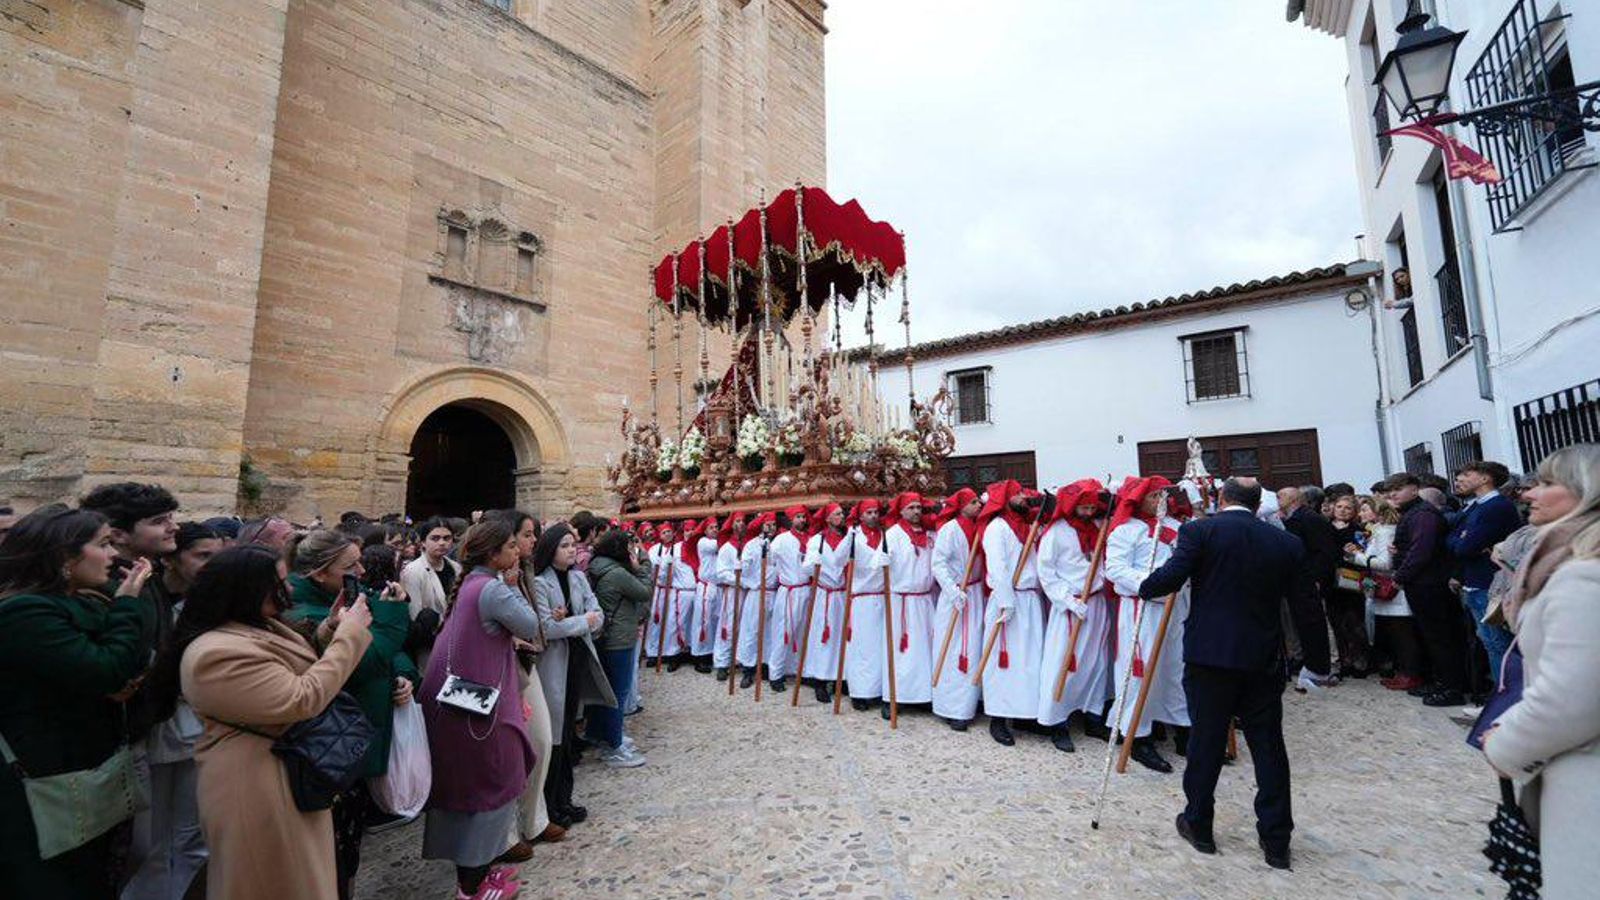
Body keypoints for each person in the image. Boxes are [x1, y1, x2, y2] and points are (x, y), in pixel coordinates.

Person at [156, 543, 371, 900]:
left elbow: (292, 667)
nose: (289, 590)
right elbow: (300, 698)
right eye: (280, 583)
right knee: (270, 882)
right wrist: (351, 636)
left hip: (283, 770)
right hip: (255, 784)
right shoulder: (215, 653)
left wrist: (330, 630)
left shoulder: (254, 626)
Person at [1141, 477, 1303, 871]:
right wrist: (1310, 661)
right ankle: (1276, 839)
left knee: (1206, 740)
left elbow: (1172, 576)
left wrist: (1147, 586)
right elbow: (1304, 601)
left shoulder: (1201, 531)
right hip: (1263, 654)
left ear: (1222, 498)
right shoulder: (1284, 541)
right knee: (1268, 746)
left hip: (1210, 654)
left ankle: (1199, 824)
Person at [0, 506, 157, 898]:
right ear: (64, 558)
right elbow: (106, 669)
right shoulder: (25, 611)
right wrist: (128, 603)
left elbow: (131, 660)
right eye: (103, 544)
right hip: (42, 777)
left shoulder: (80, 602)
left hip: (81, 771)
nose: (112, 555)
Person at [1481, 444, 1600, 900]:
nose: (1530, 493)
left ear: (1586, 493)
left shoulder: (1582, 576)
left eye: (1548, 484)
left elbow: (1571, 700)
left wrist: (1504, 744)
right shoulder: (1562, 561)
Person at [285, 530, 418, 900]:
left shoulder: (350, 597)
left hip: (356, 735)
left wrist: (405, 674)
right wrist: (393, 615)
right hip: (328, 746)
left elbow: (390, 653)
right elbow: (367, 659)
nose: (360, 569)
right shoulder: (305, 614)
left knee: (347, 844)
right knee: (330, 848)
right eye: (351, 565)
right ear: (320, 573)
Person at [418, 520, 540, 900]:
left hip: (460, 704)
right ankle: (471, 889)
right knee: (488, 790)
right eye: (509, 546)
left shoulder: (472, 585)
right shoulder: (490, 588)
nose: (517, 550)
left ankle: (479, 877)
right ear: (492, 554)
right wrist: (514, 584)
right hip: (477, 712)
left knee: (473, 791)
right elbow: (530, 623)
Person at [123, 522, 224, 900]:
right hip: (152, 731)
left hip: (196, 731)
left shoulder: (210, 603)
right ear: (172, 559)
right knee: (147, 843)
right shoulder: (149, 601)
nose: (212, 565)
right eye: (202, 556)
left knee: (194, 836)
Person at [481, 509, 558, 859]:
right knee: (512, 750)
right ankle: (507, 832)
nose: (532, 541)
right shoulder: (494, 580)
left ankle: (534, 819)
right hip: (505, 669)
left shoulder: (526, 570)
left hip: (528, 663)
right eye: (526, 535)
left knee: (539, 740)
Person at [532, 524, 615, 831]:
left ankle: (564, 798)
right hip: (554, 664)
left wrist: (579, 621)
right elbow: (548, 628)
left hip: (577, 660)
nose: (571, 550)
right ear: (551, 548)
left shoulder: (579, 578)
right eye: (565, 545)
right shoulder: (541, 583)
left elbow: (598, 613)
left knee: (568, 734)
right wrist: (583, 622)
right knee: (554, 736)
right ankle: (549, 804)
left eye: (573, 545)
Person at [1104, 476, 1187, 771]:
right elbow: (1114, 569)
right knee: (1139, 672)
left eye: (1163, 496)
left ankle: (1181, 727)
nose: (1160, 501)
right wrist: (1151, 584)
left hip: (1175, 609)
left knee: (1174, 668)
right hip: (1142, 609)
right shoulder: (1125, 531)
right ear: (1139, 500)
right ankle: (1136, 735)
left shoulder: (1177, 529)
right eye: (1153, 497)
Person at [1036, 480, 1113, 752]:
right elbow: (1045, 571)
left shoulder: (1097, 528)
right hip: (1070, 607)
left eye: (1093, 506)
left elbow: (1104, 561)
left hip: (1096, 603)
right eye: (1084, 506)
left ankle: (1093, 716)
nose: (1089, 511)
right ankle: (1056, 722)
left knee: (1097, 662)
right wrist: (1066, 600)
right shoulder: (1056, 532)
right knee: (1064, 663)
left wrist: (1099, 582)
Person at [1385, 472, 1466, 707]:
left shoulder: (1423, 515)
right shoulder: (1414, 513)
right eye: (1390, 490)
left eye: (1398, 489)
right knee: (1430, 636)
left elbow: (1422, 551)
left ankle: (1452, 688)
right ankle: (1441, 682)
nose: (1392, 494)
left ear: (1414, 489)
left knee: (1440, 637)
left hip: (1430, 584)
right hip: (1421, 583)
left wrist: (1400, 575)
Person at [978, 480, 1047, 747]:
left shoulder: (1028, 525)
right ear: (1005, 498)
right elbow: (997, 566)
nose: (1022, 496)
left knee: (1029, 660)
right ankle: (998, 717)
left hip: (1029, 599)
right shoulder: (997, 528)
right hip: (1009, 599)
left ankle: (1025, 714)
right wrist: (1005, 601)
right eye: (1017, 493)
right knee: (1003, 660)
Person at [1447, 461, 1521, 684]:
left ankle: (1505, 701)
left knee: (1498, 643)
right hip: (1475, 581)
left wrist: (1464, 541)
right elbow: (1452, 539)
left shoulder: (1496, 506)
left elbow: (1464, 546)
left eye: (1467, 474)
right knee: (1490, 642)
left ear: (1485, 478)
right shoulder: (1476, 506)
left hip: (1489, 583)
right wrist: (1463, 540)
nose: (1459, 479)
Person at [584, 528, 652, 767]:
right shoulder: (616, 573)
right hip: (619, 637)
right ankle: (613, 745)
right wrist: (641, 567)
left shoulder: (598, 566)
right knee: (618, 692)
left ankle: (599, 734)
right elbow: (643, 591)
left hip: (606, 636)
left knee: (605, 690)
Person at [1348, 498, 1424, 691]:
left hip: (1393, 592)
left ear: (1377, 512)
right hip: (1386, 591)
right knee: (1395, 635)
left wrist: (1356, 557)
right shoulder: (1378, 531)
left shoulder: (1385, 532)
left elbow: (1385, 563)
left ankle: (1411, 674)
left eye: (1365, 510)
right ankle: (1405, 672)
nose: (1361, 514)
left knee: (1403, 635)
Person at [875, 493, 935, 719]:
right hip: (901, 602)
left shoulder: (930, 534)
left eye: (919, 507)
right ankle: (893, 697)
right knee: (900, 652)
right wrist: (881, 562)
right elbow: (877, 564)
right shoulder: (892, 535)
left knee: (924, 651)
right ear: (900, 511)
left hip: (924, 600)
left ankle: (922, 696)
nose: (916, 512)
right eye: (911, 508)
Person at [930, 490, 985, 730]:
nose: (978, 505)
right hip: (956, 596)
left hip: (975, 593)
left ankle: (973, 701)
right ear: (961, 506)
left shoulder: (982, 527)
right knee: (954, 650)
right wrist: (953, 591)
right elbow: (938, 563)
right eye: (973, 502)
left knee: (975, 648)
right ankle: (953, 707)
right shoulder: (950, 529)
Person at [1277, 486, 1339, 691]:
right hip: (1300, 580)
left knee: (1312, 624)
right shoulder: (1297, 518)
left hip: (1308, 580)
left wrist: (1317, 578)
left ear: (1295, 499)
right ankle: (1314, 666)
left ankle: (1318, 669)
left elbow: (1323, 551)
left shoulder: (1308, 519)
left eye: (1282, 495)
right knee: (1305, 624)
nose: (1277, 498)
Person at [801, 504, 850, 704]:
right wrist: (816, 564)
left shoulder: (849, 538)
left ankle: (842, 677)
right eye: (837, 514)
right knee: (823, 637)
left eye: (842, 513)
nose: (842, 516)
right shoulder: (817, 540)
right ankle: (820, 680)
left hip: (843, 594)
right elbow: (808, 567)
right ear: (828, 519)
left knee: (844, 637)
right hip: (825, 595)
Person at [842, 500, 888, 711]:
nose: (873, 516)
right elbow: (839, 560)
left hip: (882, 596)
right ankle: (859, 692)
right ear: (860, 516)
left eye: (876, 512)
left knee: (880, 647)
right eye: (868, 512)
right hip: (861, 598)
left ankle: (877, 690)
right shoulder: (853, 536)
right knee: (861, 648)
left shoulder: (885, 534)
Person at [1325, 494, 1372, 679]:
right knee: (1337, 623)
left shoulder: (1358, 530)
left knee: (1355, 623)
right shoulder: (1325, 528)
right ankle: (1343, 661)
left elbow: (1363, 553)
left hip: (1352, 579)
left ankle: (1360, 661)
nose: (1342, 511)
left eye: (1347, 508)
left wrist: (1355, 552)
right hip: (1331, 581)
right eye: (1339, 507)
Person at [768, 506, 814, 693]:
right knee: (783, 632)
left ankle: (799, 670)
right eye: (798, 517)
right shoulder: (781, 540)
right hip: (789, 591)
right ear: (790, 519)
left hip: (806, 590)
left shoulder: (811, 539)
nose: (802, 520)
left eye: (803, 517)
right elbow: (771, 560)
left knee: (803, 633)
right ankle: (775, 674)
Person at [734, 513, 780, 690]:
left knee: (771, 631)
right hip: (757, 592)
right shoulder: (752, 545)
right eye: (768, 524)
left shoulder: (779, 543)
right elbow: (744, 569)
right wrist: (742, 565)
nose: (771, 528)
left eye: (774, 524)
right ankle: (748, 668)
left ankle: (767, 665)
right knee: (752, 630)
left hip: (774, 592)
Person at [710, 515, 746, 681]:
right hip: (733, 591)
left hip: (748, 592)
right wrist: (738, 580)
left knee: (746, 627)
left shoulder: (750, 546)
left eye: (743, 521)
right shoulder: (726, 548)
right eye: (738, 521)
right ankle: (723, 663)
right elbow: (721, 573)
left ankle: (742, 660)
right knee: (728, 627)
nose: (741, 524)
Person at [686, 516, 720, 673]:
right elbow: (718, 545)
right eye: (712, 527)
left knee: (714, 622)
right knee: (702, 622)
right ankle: (699, 656)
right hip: (705, 587)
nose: (715, 530)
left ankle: (712, 653)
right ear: (705, 530)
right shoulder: (704, 542)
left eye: (716, 527)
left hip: (717, 587)